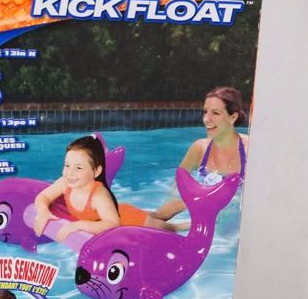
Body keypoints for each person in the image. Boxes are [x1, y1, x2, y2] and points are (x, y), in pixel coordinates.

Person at [32, 135, 175, 243]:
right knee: (159, 214)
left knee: (170, 228)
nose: (70, 173)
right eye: (67, 165)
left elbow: (113, 224)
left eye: (79, 168)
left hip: (128, 219)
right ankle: (182, 204)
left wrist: (77, 225)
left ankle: (186, 209)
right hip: (112, 211)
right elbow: (43, 197)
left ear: (96, 171)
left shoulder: (99, 196)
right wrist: (43, 212)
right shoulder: (65, 182)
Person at [153, 86, 248, 220]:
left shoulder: (250, 150)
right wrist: (162, 216)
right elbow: (176, 189)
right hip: (201, 218)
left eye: (215, 113)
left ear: (232, 117)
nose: (206, 119)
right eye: (205, 112)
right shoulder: (199, 148)